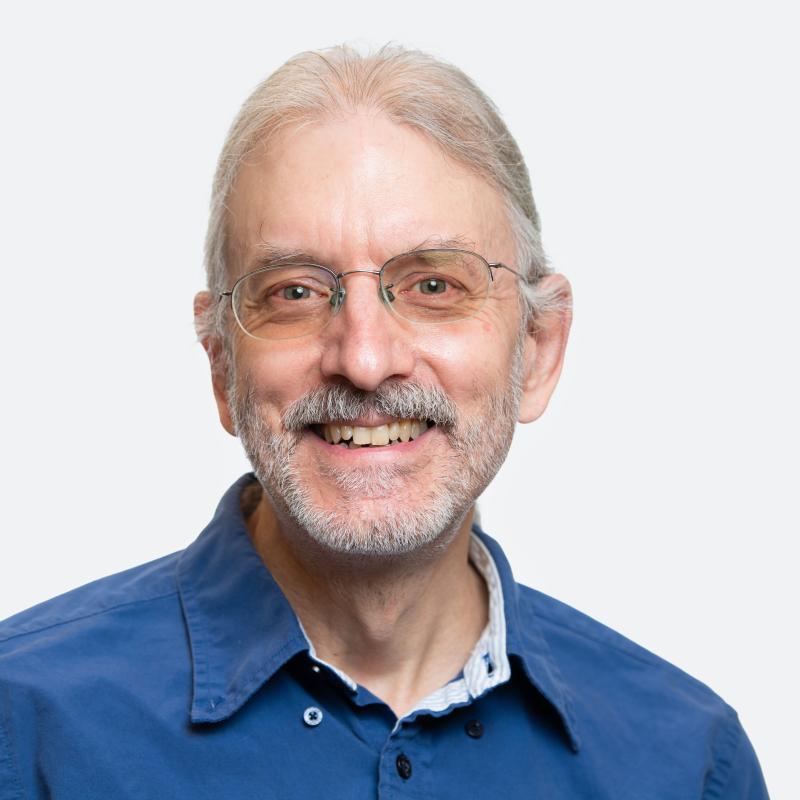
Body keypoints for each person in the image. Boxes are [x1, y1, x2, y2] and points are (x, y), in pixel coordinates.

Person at [0, 44, 768, 799]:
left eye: (434, 283)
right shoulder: (23, 729)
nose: (364, 359)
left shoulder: (688, 766)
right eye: (294, 292)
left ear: (536, 349)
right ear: (221, 365)